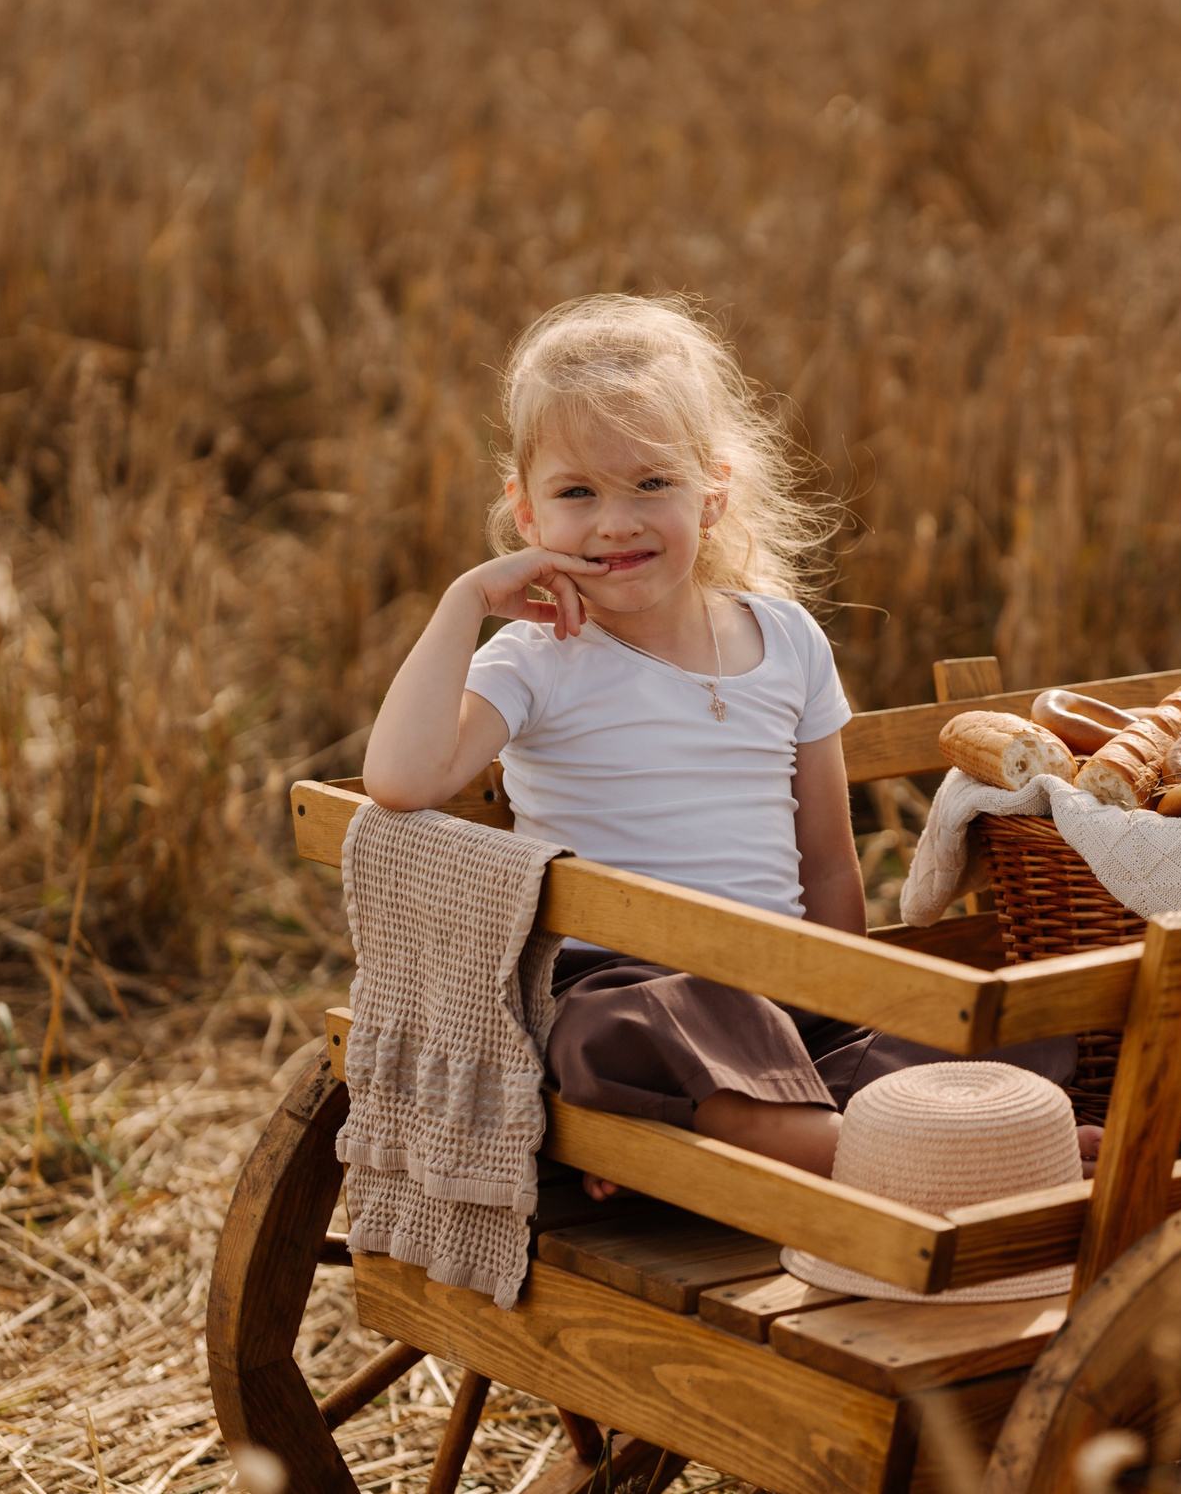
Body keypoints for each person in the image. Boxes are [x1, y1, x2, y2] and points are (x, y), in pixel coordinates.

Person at [362, 294, 1074, 1195]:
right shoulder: (541, 657)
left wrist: (839, 993)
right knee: (623, 1031)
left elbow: (826, 855)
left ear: (714, 490)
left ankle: (901, 1130)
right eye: (577, 492)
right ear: (527, 513)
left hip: (782, 981)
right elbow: (398, 778)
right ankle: (885, 1154)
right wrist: (465, 601)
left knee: (996, 1015)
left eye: (651, 484)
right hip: (635, 979)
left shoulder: (785, 641)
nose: (616, 521)